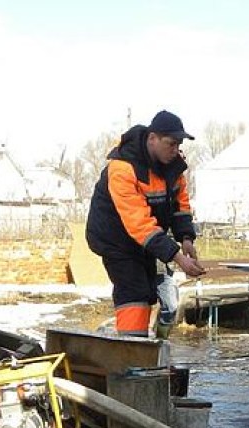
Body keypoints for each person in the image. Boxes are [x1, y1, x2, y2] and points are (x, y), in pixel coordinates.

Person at [86, 110, 205, 336]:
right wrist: (177, 257)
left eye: (179, 144)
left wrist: (186, 238)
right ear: (152, 139)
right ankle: (133, 353)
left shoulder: (173, 166)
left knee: (153, 292)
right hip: (115, 238)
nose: (175, 150)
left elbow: (180, 203)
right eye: (171, 144)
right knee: (135, 292)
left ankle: (151, 347)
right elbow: (138, 223)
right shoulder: (122, 168)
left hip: (144, 240)